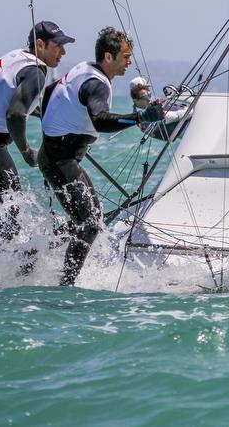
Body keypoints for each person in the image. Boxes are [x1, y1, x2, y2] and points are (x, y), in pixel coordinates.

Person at [39, 27, 165, 286]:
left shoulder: (84, 68)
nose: (130, 62)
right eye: (126, 56)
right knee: (91, 222)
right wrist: (139, 117)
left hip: (58, 157)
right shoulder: (97, 84)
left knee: (92, 218)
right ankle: (67, 283)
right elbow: (100, 120)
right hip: (59, 160)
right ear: (109, 57)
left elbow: (51, 92)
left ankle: (37, 248)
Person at [0, 21, 74, 241]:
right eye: (58, 45)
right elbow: (14, 115)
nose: (63, 51)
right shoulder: (37, 73)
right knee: (9, 205)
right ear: (40, 44)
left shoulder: (18, 56)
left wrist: (45, 113)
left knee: (9, 203)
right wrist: (26, 151)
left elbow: (10, 98)